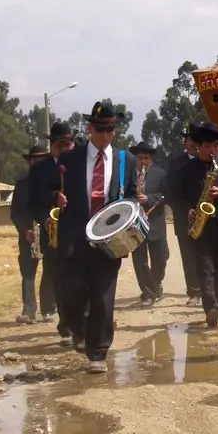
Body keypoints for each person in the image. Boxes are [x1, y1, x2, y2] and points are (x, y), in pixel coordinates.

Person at [38, 101, 138, 373]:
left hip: (108, 241)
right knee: (71, 295)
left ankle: (98, 354)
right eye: (99, 129)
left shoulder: (124, 161)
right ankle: (78, 330)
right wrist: (54, 197)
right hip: (74, 237)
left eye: (109, 130)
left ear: (115, 131)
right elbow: (45, 190)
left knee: (103, 300)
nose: (104, 135)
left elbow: (129, 196)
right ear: (89, 128)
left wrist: (133, 208)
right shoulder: (69, 159)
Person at [174, 122, 218, 327]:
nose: (213, 150)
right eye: (209, 146)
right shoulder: (186, 169)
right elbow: (175, 195)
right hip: (200, 227)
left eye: (216, 146)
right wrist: (188, 210)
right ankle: (210, 306)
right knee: (205, 268)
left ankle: (217, 306)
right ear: (199, 147)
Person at [27, 121, 77, 344]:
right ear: (52, 146)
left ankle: (81, 325)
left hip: (80, 232)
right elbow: (33, 204)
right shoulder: (39, 170)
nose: (66, 148)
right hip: (53, 234)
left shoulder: (83, 164)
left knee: (81, 281)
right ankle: (66, 327)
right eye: (60, 145)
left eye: (69, 143)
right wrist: (46, 216)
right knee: (60, 281)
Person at [11, 144, 51, 324]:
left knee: (50, 272)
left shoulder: (53, 184)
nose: (38, 164)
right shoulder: (21, 185)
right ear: (29, 163)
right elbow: (15, 213)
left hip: (49, 234)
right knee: (28, 273)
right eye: (35, 161)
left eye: (43, 162)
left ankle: (48, 310)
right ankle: (29, 310)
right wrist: (24, 230)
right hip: (28, 235)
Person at [164, 124, 203, 305]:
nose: (194, 143)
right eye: (191, 139)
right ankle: (194, 292)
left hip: (207, 217)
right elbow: (170, 192)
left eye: (197, 139)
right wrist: (185, 209)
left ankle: (210, 290)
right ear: (185, 142)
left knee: (208, 255)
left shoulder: (211, 161)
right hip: (184, 217)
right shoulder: (175, 163)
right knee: (189, 256)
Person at [129, 140, 168, 307]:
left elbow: (166, 195)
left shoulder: (160, 174)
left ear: (151, 159)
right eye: (140, 158)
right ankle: (147, 292)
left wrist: (149, 198)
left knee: (161, 257)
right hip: (135, 224)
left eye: (146, 158)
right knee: (140, 260)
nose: (143, 161)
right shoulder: (128, 175)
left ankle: (156, 281)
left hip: (155, 223)